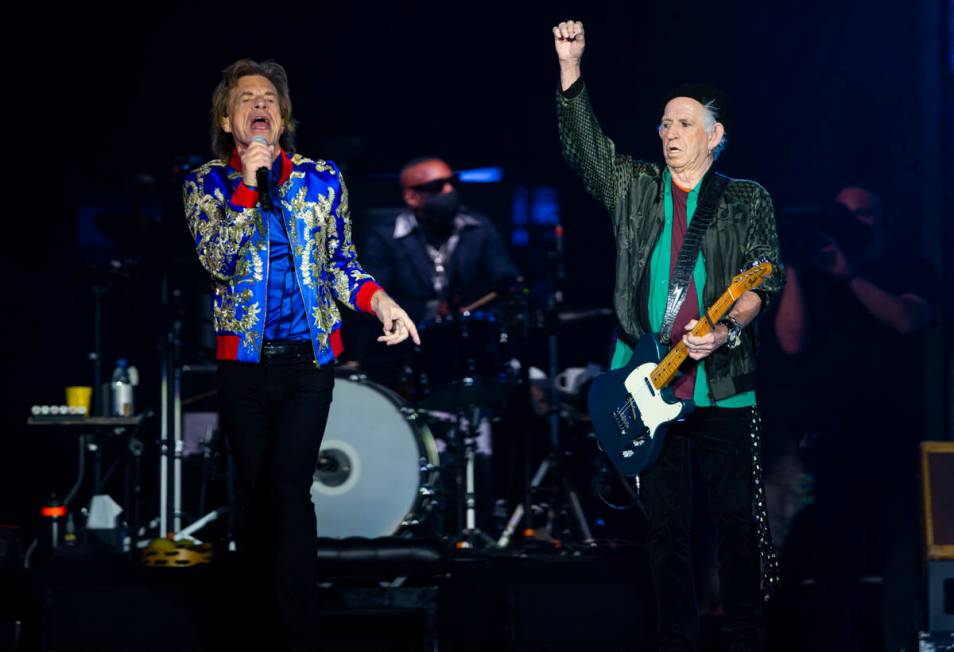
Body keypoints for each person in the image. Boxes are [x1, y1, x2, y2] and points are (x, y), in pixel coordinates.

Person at [553, 20, 784, 651]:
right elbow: (587, 150)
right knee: (665, 531)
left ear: (716, 136)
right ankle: (676, 642)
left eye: (683, 123)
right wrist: (571, 72)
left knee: (737, 525)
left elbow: (767, 279)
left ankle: (744, 638)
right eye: (662, 122)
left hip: (724, 387)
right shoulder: (635, 188)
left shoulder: (746, 199)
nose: (668, 132)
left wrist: (729, 328)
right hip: (646, 379)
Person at [182, 58, 419, 652]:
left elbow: (341, 263)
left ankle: (295, 633)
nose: (258, 105)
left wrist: (382, 301)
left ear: (283, 117)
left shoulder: (321, 178)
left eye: (268, 98)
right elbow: (217, 259)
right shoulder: (204, 183)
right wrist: (245, 184)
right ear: (227, 117)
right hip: (243, 365)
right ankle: (256, 624)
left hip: (309, 361)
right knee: (259, 494)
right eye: (245, 99)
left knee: (289, 488)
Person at [772, 185, 935, 651]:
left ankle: (900, 643)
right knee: (831, 565)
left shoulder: (907, 267)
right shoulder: (819, 276)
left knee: (899, 560)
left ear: (884, 218)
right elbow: (791, 341)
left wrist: (851, 276)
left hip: (894, 439)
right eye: (841, 215)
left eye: (860, 215)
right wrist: (798, 268)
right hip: (830, 442)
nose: (850, 224)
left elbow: (908, 318)